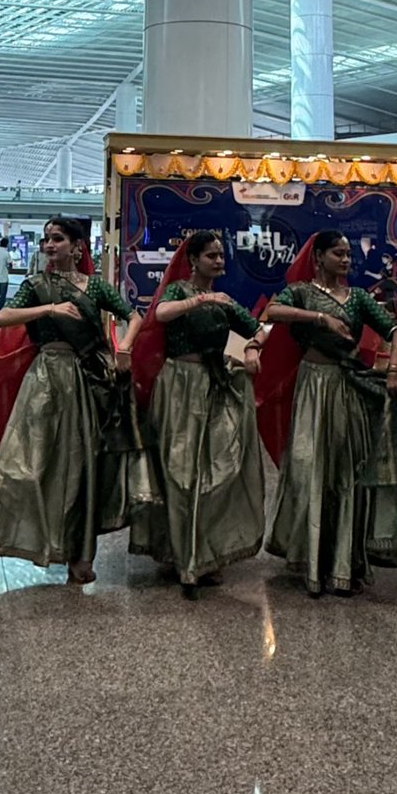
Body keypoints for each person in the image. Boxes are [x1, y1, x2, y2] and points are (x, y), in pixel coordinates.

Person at [0, 217, 152, 585]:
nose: (50, 245)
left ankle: (79, 556)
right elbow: (4, 317)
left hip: (88, 382)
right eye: (47, 240)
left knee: (82, 468)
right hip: (45, 379)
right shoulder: (36, 285)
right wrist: (48, 310)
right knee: (24, 462)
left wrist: (125, 347)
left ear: (77, 246)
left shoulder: (95, 288)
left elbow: (134, 316)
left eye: (58, 239)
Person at [256, 231, 397, 596]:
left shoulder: (358, 297)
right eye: (337, 254)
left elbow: (396, 329)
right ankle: (311, 561)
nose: (345, 260)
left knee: (345, 470)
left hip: (347, 387)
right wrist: (319, 318)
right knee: (309, 465)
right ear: (318, 257)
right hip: (312, 386)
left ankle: (345, 564)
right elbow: (272, 312)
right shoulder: (302, 292)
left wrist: (394, 369)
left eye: (347, 254)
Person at [129, 231, 266, 596]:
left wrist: (252, 348)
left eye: (222, 256)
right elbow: (160, 314)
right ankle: (181, 555)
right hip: (178, 388)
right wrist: (203, 299)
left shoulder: (225, 300)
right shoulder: (179, 292)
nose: (219, 262)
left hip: (214, 385)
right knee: (178, 471)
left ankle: (204, 550)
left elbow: (259, 328)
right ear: (193, 261)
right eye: (211, 256)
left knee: (217, 470)